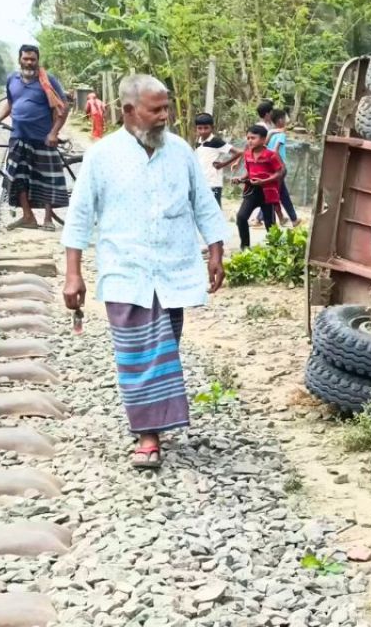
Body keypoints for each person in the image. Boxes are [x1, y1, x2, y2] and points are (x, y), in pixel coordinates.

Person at [61, 74, 228, 470]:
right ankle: (148, 435)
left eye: (166, 108)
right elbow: (80, 216)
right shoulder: (102, 156)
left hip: (172, 273)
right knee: (135, 357)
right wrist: (73, 273)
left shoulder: (182, 152)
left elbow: (203, 203)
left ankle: (155, 425)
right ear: (129, 112)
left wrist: (216, 252)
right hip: (125, 273)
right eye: (157, 109)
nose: (164, 116)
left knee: (166, 350)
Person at [0, 45, 70, 230]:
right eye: (25, 59)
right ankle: (28, 217)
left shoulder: (47, 80)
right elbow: (11, 103)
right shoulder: (12, 79)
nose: (29, 62)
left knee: (46, 178)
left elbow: (64, 106)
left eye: (32, 59)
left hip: (43, 137)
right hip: (18, 136)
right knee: (18, 178)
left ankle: (48, 220)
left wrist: (54, 133)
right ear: (20, 59)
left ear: (37, 60)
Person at [233, 124, 286, 250]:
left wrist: (265, 181)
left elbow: (280, 172)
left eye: (253, 138)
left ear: (263, 139)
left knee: (269, 223)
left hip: (267, 192)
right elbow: (248, 173)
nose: (250, 141)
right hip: (252, 190)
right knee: (241, 217)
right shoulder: (247, 155)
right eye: (248, 138)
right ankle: (245, 247)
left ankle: (275, 248)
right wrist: (240, 178)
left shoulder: (271, 155)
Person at [266, 109, 300, 227]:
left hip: (269, 167)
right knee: (275, 194)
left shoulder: (272, 134)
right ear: (280, 120)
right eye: (285, 118)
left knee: (281, 193)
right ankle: (281, 218)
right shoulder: (281, 134)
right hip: (277, 168)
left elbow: (266, 147)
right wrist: (281, 166)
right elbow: (275, 151)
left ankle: (293, 219)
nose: (286, 121)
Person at [193, 113, 233, 207]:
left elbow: (238, 152)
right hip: (201, 182)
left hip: (213, 183)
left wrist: (223, 164)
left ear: (212, 128)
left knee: (215, 209)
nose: (203, 131)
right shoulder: (198, 142)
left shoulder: (216, 141)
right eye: (200, 128)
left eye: (206, 128)